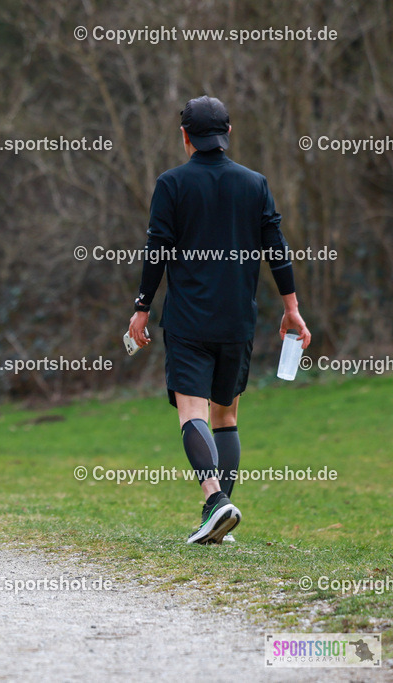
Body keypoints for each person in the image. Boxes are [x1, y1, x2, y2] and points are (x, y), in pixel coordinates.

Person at [127, 96, 311, 545]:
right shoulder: (255, 184)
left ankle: (215, 502)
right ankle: (221, 514)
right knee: (225, 416)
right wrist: (291, 308)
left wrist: (142, 306)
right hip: (237, 322)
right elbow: (277, 249)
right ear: (227, 135)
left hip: (189, 320)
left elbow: (157, 251)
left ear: (186, 136)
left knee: (193, 412)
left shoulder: (171, 184)